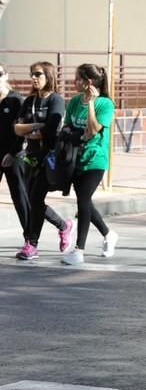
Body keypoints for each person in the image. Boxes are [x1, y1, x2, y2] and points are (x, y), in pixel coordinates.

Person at [14, 61, 73, 260]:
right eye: (32, 74)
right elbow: (17, 128)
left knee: (35, 199)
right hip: (30, 158)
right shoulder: (29, 100)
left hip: (48, 158)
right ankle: (63, 225)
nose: (34, 78)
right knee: (34, 201)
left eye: (38, 74)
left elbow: (51, 130)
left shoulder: (56, 100)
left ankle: (31, 244)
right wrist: (37, 127)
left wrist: (32, 129)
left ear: (48, 75)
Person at [60, 64, 118, 265]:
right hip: (75, 158)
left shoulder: (105, 104)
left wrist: (92, 103)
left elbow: (93, 129)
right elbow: (66, 125)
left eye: (77, 79)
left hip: (95, 159)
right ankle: (109, 234)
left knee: (83, 199)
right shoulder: (75, 101)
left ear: (88, 82)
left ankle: (79, 250)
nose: (74, 82)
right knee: (85, 202)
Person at [0, 63, 31, 240]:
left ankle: (30, 238)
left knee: (19, 195)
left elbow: (21, 131)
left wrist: (12, 153)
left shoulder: (15, 100)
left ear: (6, 76)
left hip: (14, 155)